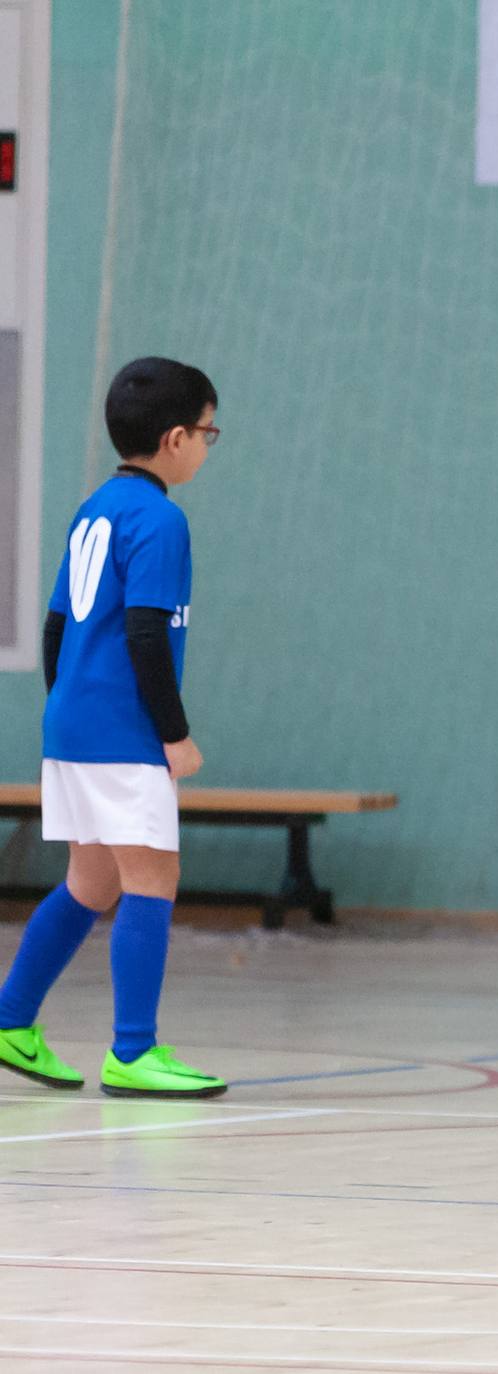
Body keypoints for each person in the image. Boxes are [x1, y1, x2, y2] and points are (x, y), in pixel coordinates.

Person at [0, 358, 228, 1099]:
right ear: (173, 439)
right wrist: (174, 732)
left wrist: (65, 708)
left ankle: (10, 1021)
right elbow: (144, 634)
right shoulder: (161, 519)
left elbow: (57, 623)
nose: (206, 444)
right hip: (122, 730)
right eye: (206, 431)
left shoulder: (96, 507)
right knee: (152, 877)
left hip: (72, 721)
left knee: (91, 880)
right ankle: (133, 1052)